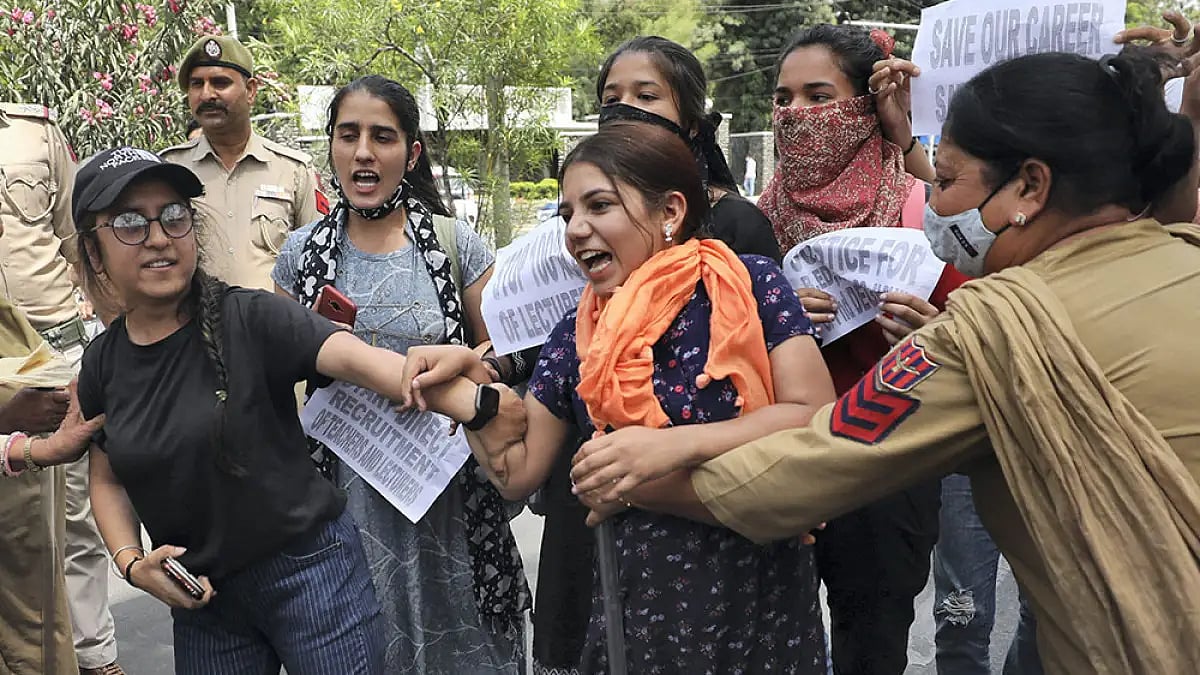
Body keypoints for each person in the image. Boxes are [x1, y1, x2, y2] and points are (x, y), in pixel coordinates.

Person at [579, 48, 1200, 674]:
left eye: (947, 182)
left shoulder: (992, 330)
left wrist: (637, 482)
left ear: (1030, 187)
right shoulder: (1185, 255)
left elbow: (805, 470)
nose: (936, 208)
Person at [50, 146, 521, 675]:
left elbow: (363, 363)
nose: (159, 237)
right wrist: (132, 563)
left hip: (312, 579)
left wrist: (479, 404)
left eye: (173, 216)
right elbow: (108, 478)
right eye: (130, 224)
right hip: (205, 605)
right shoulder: (101, 364)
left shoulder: (248, 317)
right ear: (93, 252)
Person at [402, 120, 837, 673]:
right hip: (642, 608)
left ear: (670, 211)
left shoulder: (749, 285)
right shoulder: (575, 332)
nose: (576, 229)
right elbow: (518, 471)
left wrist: (668, 450)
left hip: (760, 601)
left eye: (599, 206)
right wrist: (465, 395)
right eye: (567, 214)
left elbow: (815, 418)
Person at [272, 75, 531, 674]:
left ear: (411, 154)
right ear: (331, 147)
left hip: (449, 493)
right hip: (345, 497)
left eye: (382, 137)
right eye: (348, 135)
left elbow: (507, 350)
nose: (364, 152)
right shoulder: (300, 255)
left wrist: (469, 368)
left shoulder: (454, 244)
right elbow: (276, 375)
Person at [753, 26, 965, 675]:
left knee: (870, 643)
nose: (796, 115)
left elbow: (980, 327)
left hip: (889, 468)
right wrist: (771, 317)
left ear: (864, 108)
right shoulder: (755, 220)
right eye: (784, 98)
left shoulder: (917, 208)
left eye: (819, 96)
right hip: (782, 455)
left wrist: (935, 331)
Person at [0, 101, 123, 675]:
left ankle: (92, 653)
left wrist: (115, 334)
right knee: (20, 533)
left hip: (55, 349)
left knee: (75, 514)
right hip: (5, 362)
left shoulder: (35, 133)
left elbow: (78, 241)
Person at [160, 34, 329, 290]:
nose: (207, 94)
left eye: (220, 83)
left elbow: (320, 255)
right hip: (198, 315)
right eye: (197, 84)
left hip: (274, 315)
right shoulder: (169, 170)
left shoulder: (292, 170)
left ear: (250, 90)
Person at [598, 36, 782, 263]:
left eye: (646, 96)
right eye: (611, 100)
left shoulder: (737, 224)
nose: (624, 109)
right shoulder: (589, 219)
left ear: (692, 125)